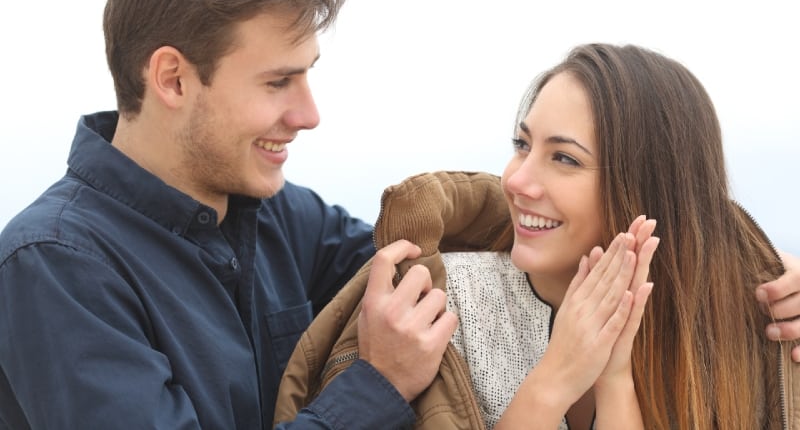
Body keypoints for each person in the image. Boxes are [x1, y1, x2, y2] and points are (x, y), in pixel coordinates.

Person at [0, 0, 456, 429]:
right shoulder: (56, 265)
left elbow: (438, 274)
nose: (309, 115)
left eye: (308, 75)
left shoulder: (281, 215)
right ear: (172, 78)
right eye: (277, 82)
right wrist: (379, 387)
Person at [275, 43, 800, 430]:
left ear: (647, 189)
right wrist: (555, 381)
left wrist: (615, 377)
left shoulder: (750, 332)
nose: (518, 180)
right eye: (522, 144)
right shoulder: (436, 309)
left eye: (564, 158)